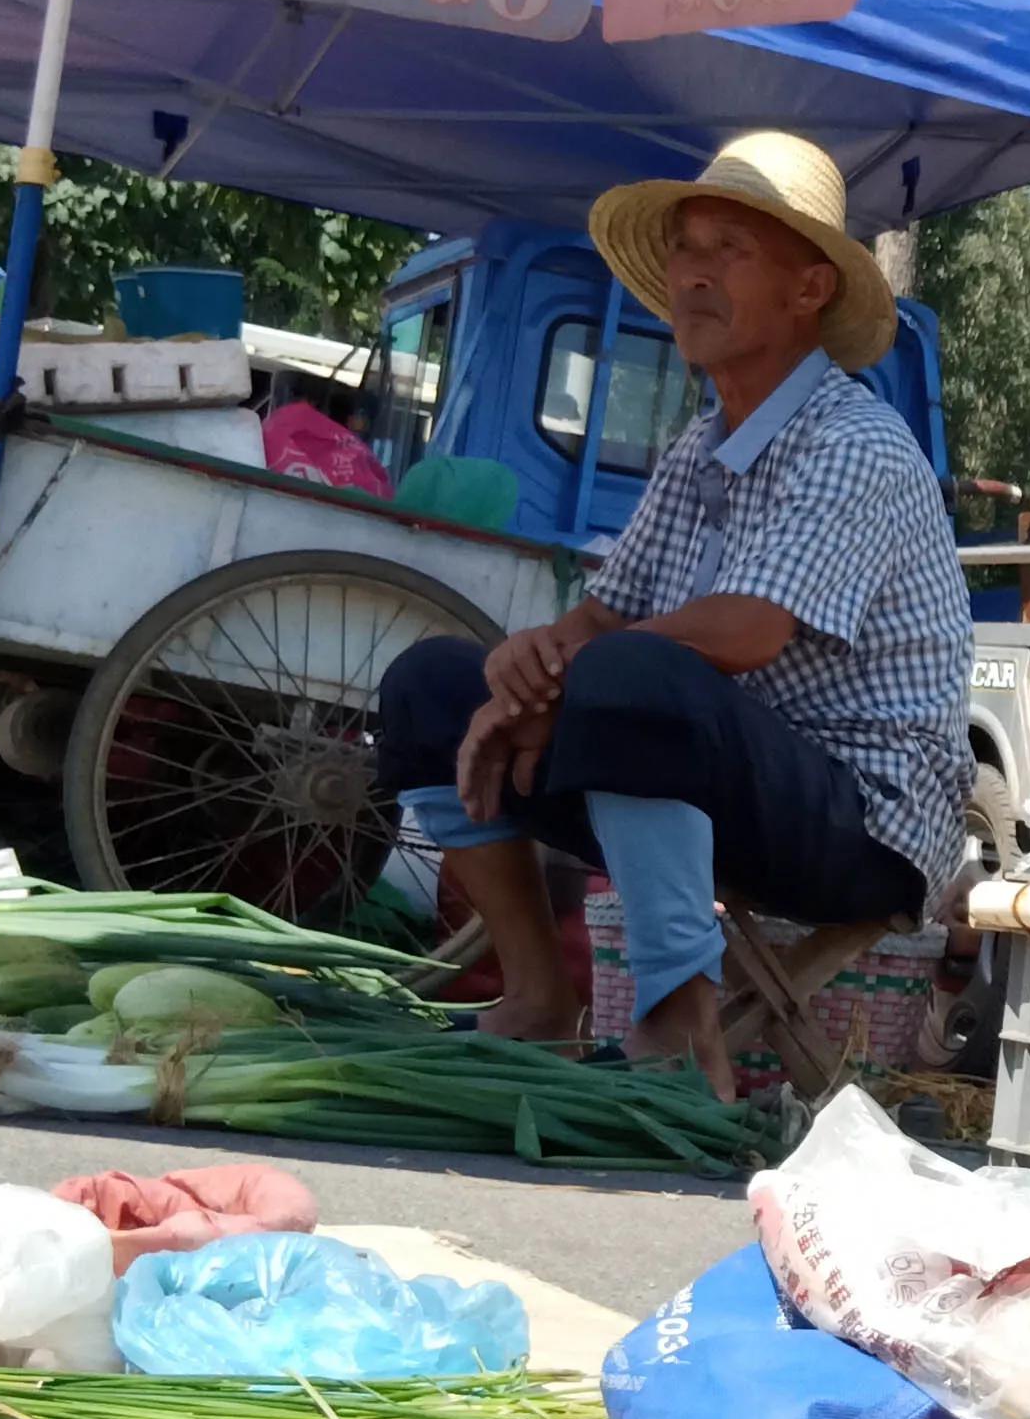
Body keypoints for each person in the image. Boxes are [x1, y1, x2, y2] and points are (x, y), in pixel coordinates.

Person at [374, 131, 970, 1085]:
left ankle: (678, 1027)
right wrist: (533, 662)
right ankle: (537, 996)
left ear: (810, 289)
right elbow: (607, 613)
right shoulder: (703, 445)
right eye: (686, 250)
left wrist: (571, 679)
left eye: (728, 251)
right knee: (434, 686)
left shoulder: (857, 441)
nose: (694, 274)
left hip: (865, 818)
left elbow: (745, 632)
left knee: (632, 682)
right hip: (717, 770)